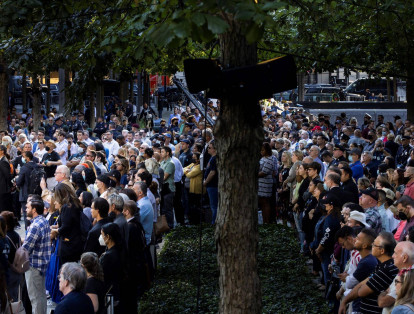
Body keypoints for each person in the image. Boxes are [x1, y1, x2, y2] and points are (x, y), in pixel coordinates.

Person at [339, 231, 399, 314]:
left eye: (374, 245)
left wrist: (365, 284)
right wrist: (344, 301)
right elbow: (361, 284)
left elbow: (361, 292)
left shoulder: (386, 270)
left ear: (382, 250)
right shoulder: (381, 265)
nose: (372, 246)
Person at [22, 197, 51, 314]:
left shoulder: (35, 226)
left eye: (28, 207)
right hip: (42, 264)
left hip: (34, 265)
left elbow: (26, 248)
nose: (25, 209)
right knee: (41, 296)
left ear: (34, 210)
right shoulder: (43, 221)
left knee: (35, 298)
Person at [51, 183, 84, 264]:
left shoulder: (67, 207)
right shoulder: (74, 204)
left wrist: (55, 230)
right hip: (75, 242)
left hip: (69, 245)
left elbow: (65, 227)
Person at [99, 223, 126, 313]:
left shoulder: (108, 256)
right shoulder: (120, 249)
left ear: (108, 237)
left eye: (102, 235)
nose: (101, 237)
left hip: (110, 295)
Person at [160, 146, 176, 229]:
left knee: (168, 209)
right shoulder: (162, 162)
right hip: (163, 188)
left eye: (162, 151)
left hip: (169, 188)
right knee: (163, 209)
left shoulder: (170, 163)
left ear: (167, 153)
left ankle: (170, 227)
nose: (161, 153)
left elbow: (164, 177)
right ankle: (165, 226)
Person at [0, 145, 12, 213]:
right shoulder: (2, 160)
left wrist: (9, 186)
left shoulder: (3, 161)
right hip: (3, 189)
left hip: (3, 189)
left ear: (2, 151)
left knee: (3, 209)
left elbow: (7, 175)